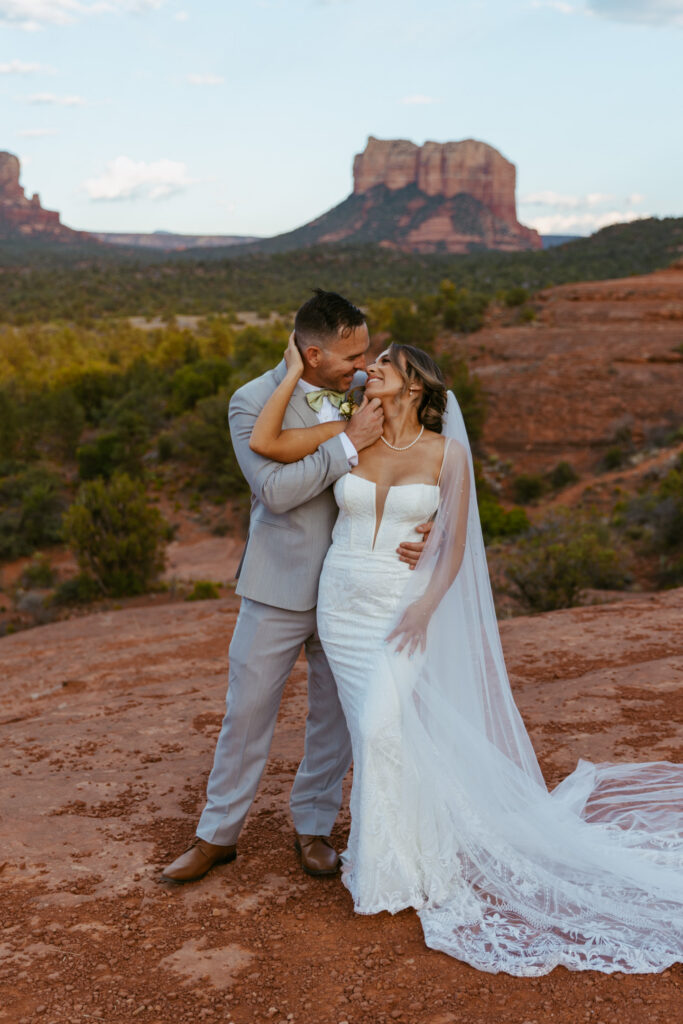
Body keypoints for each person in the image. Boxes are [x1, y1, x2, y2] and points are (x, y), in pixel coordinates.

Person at [250, 334, 683, 976]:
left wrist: (425, 606)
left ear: (415, 384)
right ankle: (393, 864)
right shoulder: (351, 431)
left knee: (381, 724)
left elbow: (454, 542)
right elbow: (268, 445)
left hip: (401, 604)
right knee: (381, 734)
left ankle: (406, 865)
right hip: (340, 602)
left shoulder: (449, 455)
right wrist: (290, 372)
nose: (370, 370)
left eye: (385, 365)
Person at [161, 289, 431, 884]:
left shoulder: (367, 392)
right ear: (312, 354)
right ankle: (217, 836)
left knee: (333, 718)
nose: (363, 367)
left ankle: (313, 827)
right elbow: (276, 493)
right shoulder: (251, 402)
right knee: (247, 713)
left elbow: (419, 456)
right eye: (351, 357)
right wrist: (345, 444)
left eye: (367, 356)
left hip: (352, 592)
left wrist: (432, 518)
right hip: (275, 588)